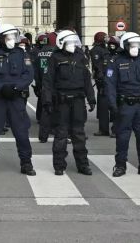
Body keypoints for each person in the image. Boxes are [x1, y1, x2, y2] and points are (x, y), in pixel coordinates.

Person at [0, 24, 35, 176]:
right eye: (8, 37)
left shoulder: (22, 54)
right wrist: (0, 87)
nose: (12, 39)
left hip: (16, 99)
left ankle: (26, 163)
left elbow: (28, 74)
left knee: (22, 133)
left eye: (13, 36)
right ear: (1, 38)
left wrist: (16, 88)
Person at [105, 32, 140, 178]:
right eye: (132, 45)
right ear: (125, 45)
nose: (135, 48)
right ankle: (120, 166)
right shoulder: (115, 61)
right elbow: (109, 85)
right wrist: (112, 105)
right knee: (123, 137)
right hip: (125, 105)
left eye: (137, 45)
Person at [43, 29, 95, 176]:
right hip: (62, 102)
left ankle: (83, 165)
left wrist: (91, 98)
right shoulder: (55, 58)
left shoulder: (81, 57)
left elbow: (87, 80)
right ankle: (59, 165)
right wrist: (47, 101)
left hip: (78, 101)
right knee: (61, 135)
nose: (73, 45)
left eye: (74, 42)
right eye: (69, 42)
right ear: (62, 43)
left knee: (79, 134)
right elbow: (48, 82)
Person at [33, 32, 57, 143]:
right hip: (55, 84)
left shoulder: (40, 53)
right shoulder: (56, 53)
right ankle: (54, 129)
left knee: (45, 109)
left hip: (43, 83)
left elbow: (36, 71)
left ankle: (43, 135)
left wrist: (38, 84)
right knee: (57, 109)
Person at [89, 31, 112, 137]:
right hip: (102, 80)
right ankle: (103, 129)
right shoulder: (97, 50)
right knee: (103, 105)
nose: (107, 39)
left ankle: (106, 128)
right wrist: (101, 78)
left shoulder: (104, 49)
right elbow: (98, 66)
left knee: (106, 104)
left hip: (107, 79)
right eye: (105, 37)